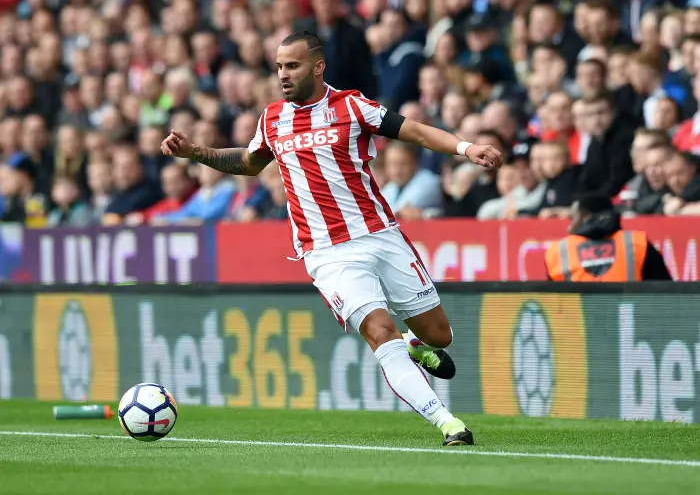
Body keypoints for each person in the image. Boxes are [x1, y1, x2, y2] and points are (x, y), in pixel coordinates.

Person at [161, 31, 503, 446]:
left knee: (439, 336)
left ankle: (417, 343)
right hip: (326, 252)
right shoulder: (272, 119)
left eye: (293, 66)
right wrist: (196, 152)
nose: (284, 75)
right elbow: (250, 164)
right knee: (380, 333)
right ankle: (448, 423)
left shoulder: (351, 105)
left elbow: (414, 131)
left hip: (380, 235)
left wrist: (466, 148)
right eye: (279, 67)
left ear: (318, 67)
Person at [545, 192, 671, 281]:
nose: (569, 227)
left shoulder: (558, 251)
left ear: (586, 218)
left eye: (572, 219)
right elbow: (666, 294)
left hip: (578, 319)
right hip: (630, 317)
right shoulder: (637, 243)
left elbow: (552, 307)